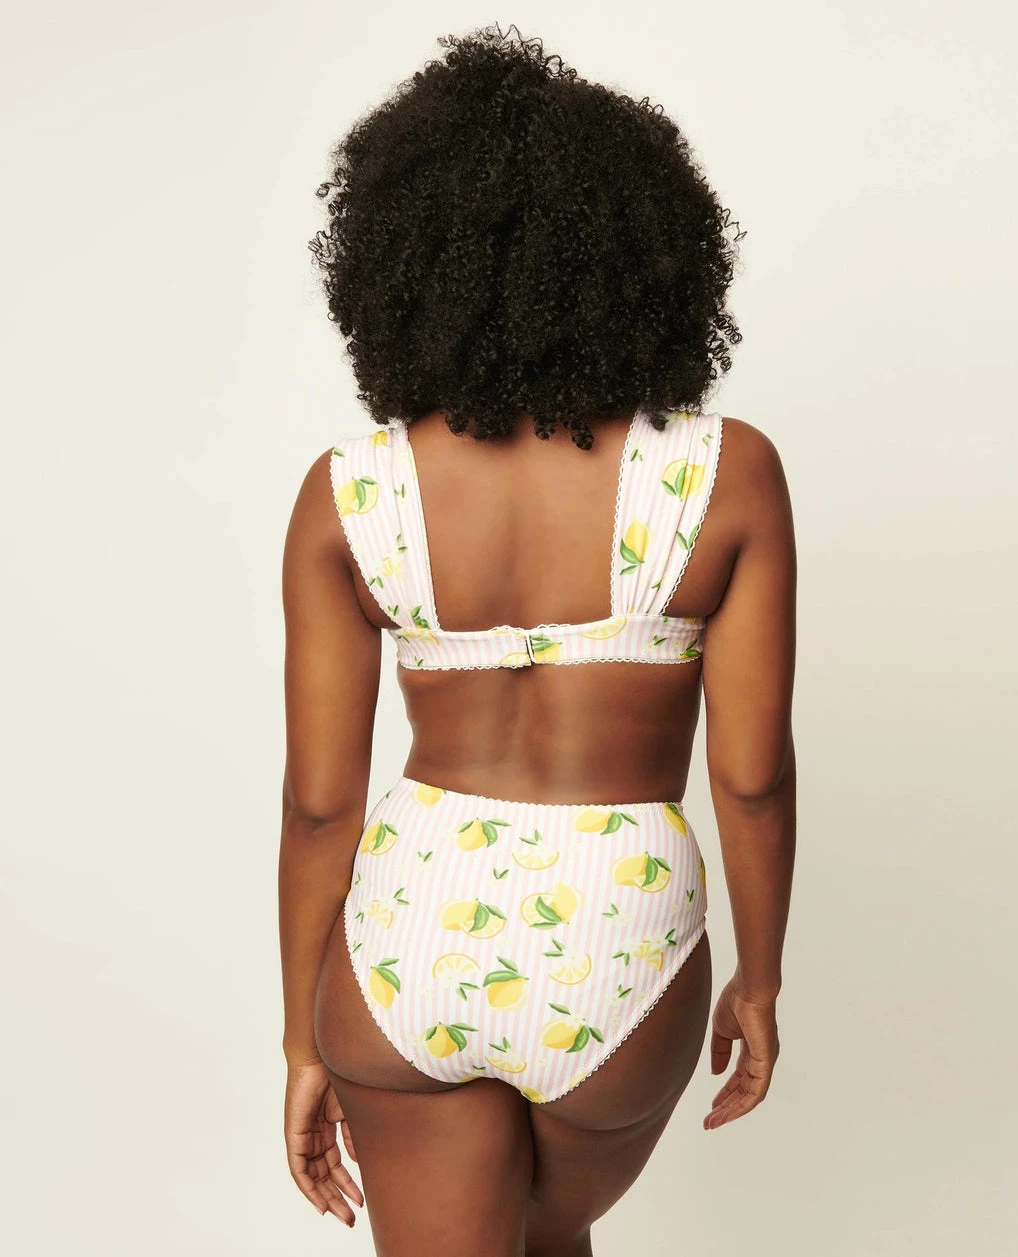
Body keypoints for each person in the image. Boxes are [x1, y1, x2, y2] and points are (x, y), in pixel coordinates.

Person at [278, 23, 796, 1256]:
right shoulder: (725, 474)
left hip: (411, 935)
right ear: (644, 250)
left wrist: (303, 1036)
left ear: (400, 263)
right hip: (617, 930)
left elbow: (318, 804)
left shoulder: (351, 493)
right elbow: (750, 776)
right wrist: (762, 977)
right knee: (541, 1238)